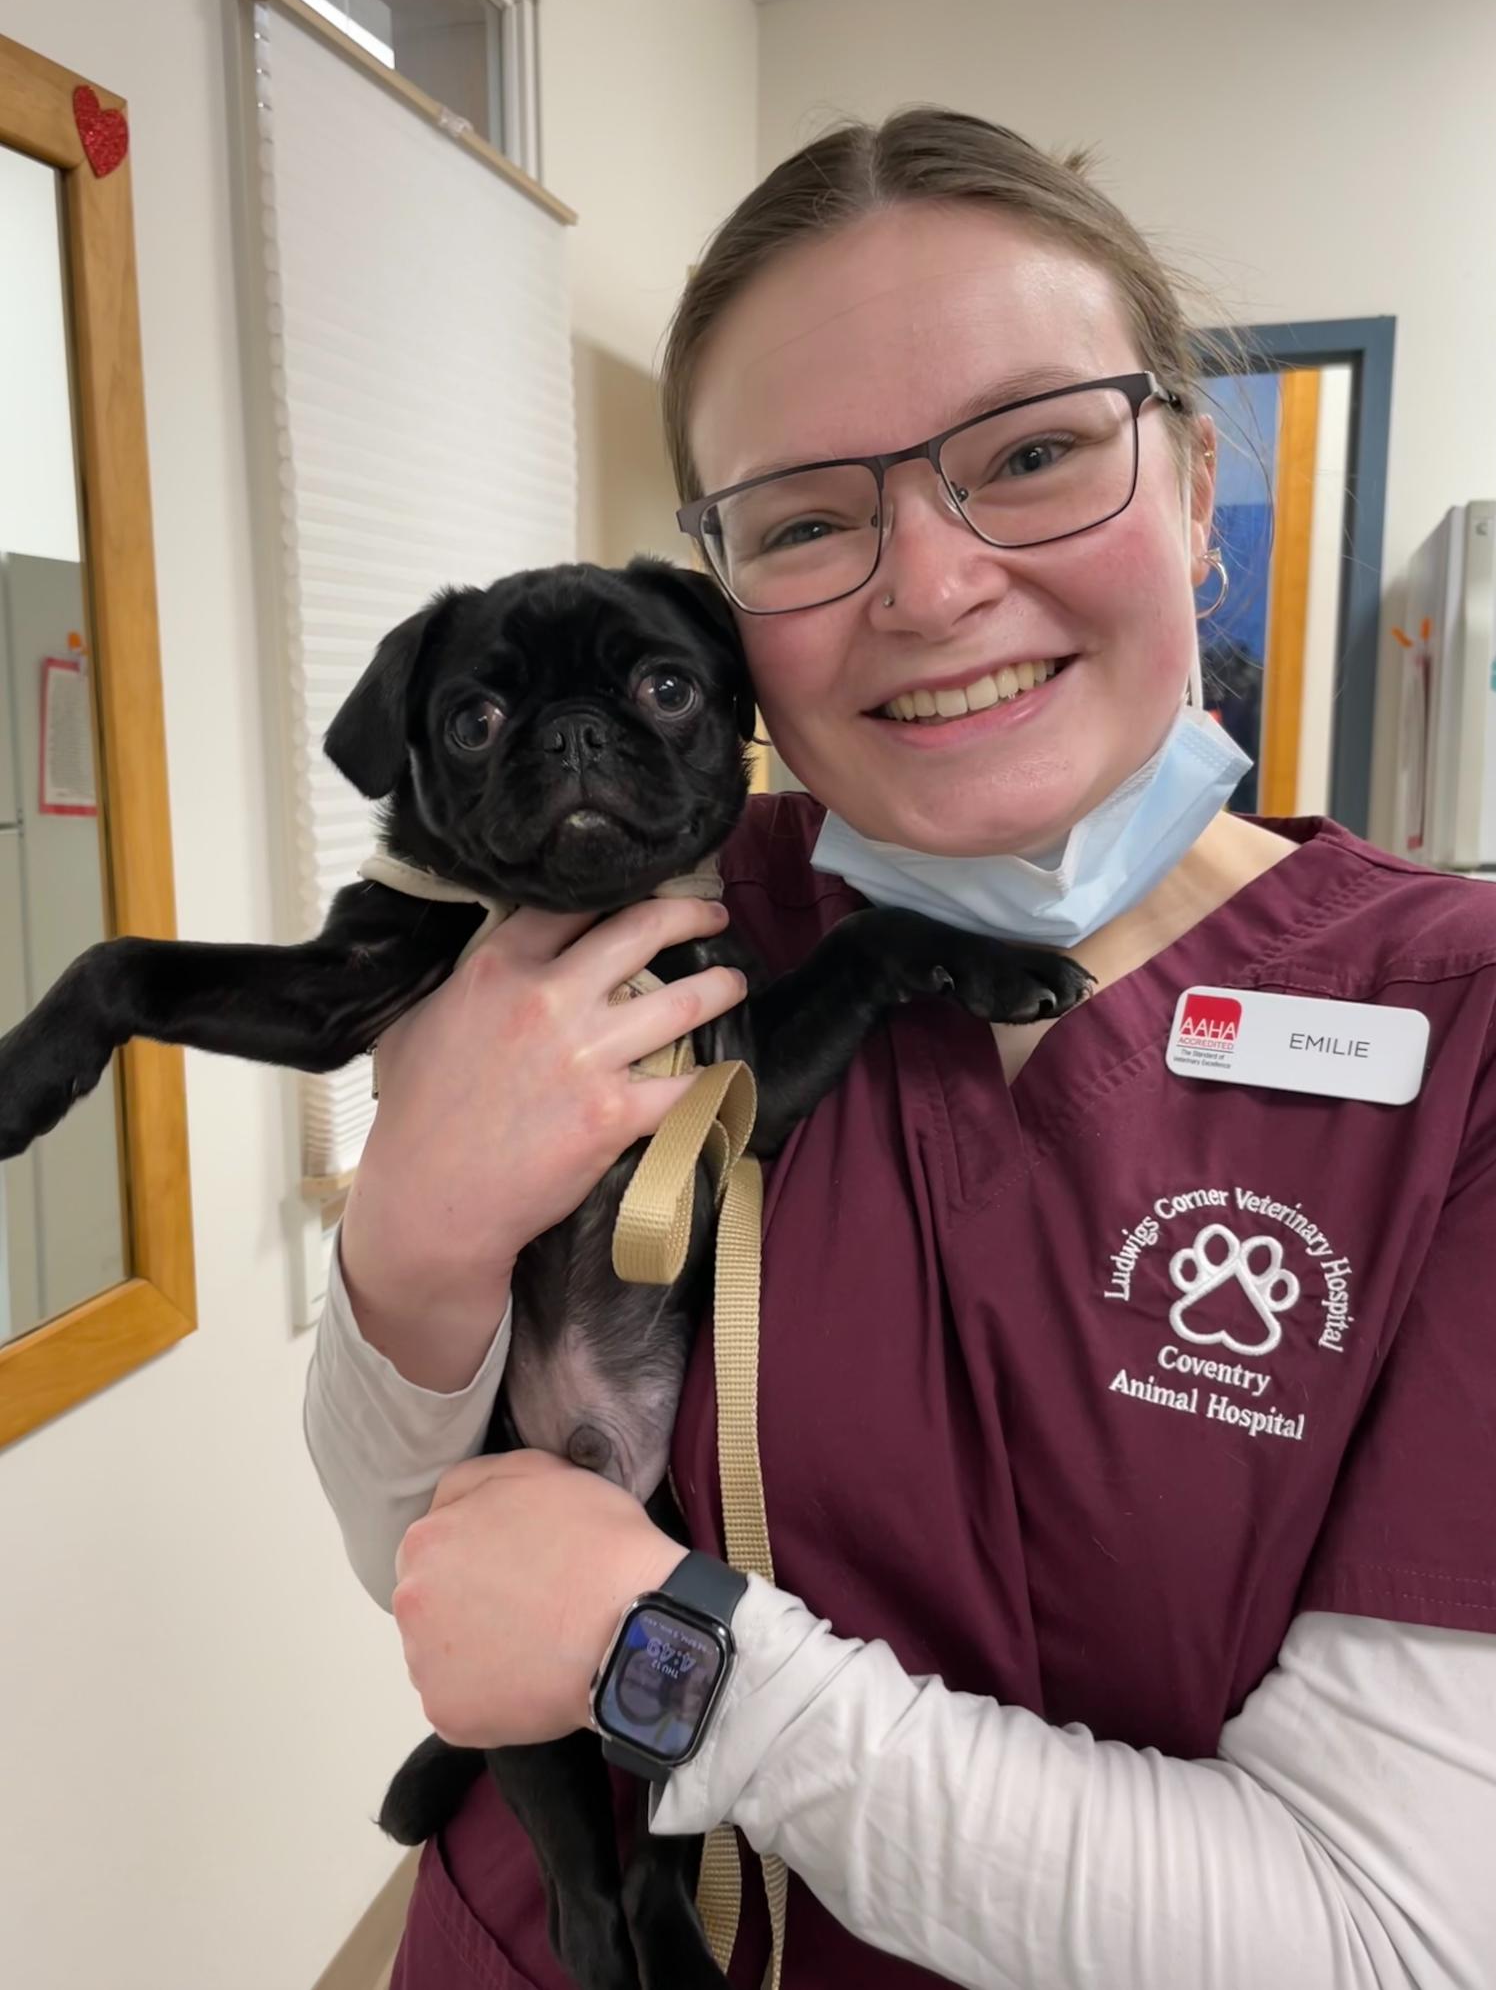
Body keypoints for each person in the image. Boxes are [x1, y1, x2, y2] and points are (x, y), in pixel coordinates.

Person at [305, 111, 1496, 1989]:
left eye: (1032, 454)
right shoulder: (634, 933)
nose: (930, 588)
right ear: (718, 599)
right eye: (804, 519)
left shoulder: (1465, 1042)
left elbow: (1381, 1942)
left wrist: (668, 1655)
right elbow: (433, 1566)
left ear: (1195, 489)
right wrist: (408, 1251)